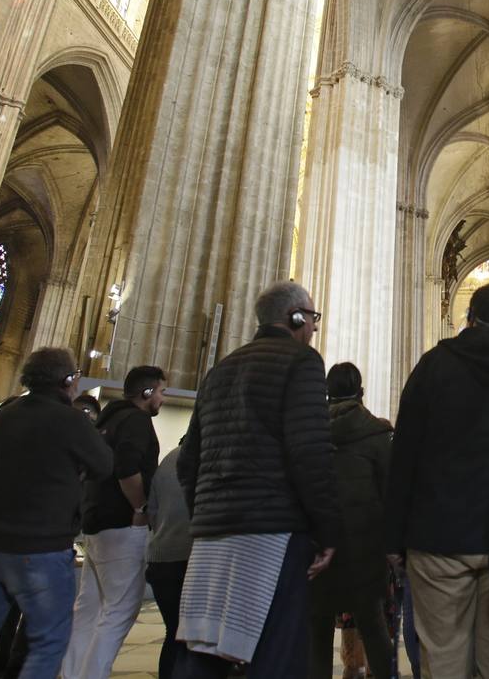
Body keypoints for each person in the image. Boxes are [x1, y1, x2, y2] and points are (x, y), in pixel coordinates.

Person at [175, 281, 341, 678]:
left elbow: (188, 461)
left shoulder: (220, 370)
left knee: (205, 652)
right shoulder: (301, 361)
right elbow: (308, 452)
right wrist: (328, 530)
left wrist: (208, 513)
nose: (314, 328)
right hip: (272, 533)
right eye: (312, 319)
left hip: (212, 537)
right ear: (296, 318)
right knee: (277, 653)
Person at [386, 281, 489, 678]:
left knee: (443, 661)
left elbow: (404, 455)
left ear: (469, 318)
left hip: (439, 539)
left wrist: (393, 539)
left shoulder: (433, 367)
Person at [0, 348, 113, 679]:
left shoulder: (8, 414)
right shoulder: (68, 419)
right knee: (48, 641)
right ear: (67, 380)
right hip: (39, 546)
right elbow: (104, 465)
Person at [63, 366, 166, 679]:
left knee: (88, 609)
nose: (163, 397)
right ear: (147, 393)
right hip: (122, 524)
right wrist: (141, 506)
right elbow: (127, 467)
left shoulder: (107, 420)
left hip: (96, 522)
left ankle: (72, 673)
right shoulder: (135, 420)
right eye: (161, 391)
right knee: (119, 610)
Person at [308, 362, 395, 679]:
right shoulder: (377, 433)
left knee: (316, 631)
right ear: (361, 391)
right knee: (373, 626)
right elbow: (390, 494)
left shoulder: (310, 432)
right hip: (364, 548)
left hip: (319, 546)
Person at [146, 444, 192, 679]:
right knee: (195, 640)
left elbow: (151, 511)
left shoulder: (168, 460)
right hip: (191, 558)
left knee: (173, 633)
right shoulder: (209, 456)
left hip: (161, 558)